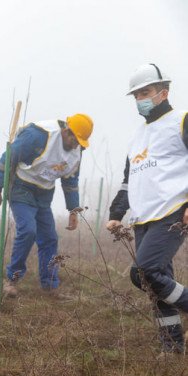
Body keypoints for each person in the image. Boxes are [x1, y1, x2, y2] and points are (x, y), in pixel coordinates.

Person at [107, 63, 188, 355]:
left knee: (145, 271)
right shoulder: (136, 136)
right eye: (136, 94)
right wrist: (116, 213)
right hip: (144, 218)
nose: (141, 98)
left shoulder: (182, 120)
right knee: (156, 284)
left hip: (173, 211)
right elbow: (130, 180)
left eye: (146, 91)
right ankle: (172, 348)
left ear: (163, 92)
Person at [0, 113, 94, 298]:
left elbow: (70, 181)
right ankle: (11, 280)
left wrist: (73, 210)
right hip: (21, 187)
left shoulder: (77, 152)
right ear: (66, 131)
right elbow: (9, 157)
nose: (76, 145)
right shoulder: (38, 135)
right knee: (28, 231)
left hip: (44, 193)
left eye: (80, 142)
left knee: (50, 238)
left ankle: (50, 285)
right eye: (75, 139)